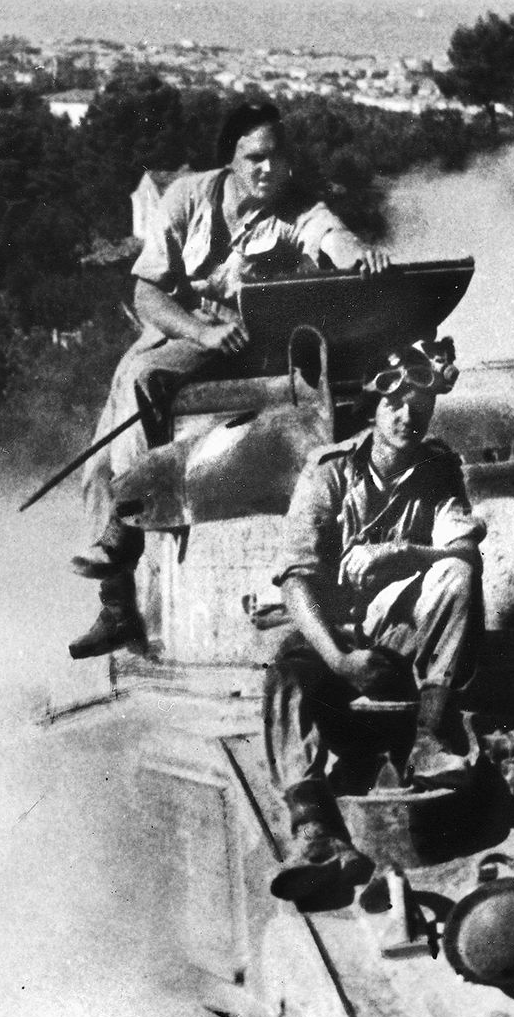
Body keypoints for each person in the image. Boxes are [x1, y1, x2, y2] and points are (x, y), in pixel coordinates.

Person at [69, 100, 392, 659]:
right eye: (255, 158)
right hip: (189, 335)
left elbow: (332, 237)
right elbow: (147, 292)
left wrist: (362, 256)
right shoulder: (188, 198)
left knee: (143, 378)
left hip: (257, 343)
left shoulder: (295, 210)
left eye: (277, 158)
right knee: (98, 465)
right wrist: (198, 331)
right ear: (231, 162)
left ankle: (124, 531)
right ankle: (118, 606)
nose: (268, 170)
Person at [263, 338, 483, 902]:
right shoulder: (331, 472)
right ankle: (312, 828)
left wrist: (405, 554)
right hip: (334, 633)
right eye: (395, 404)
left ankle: (432, 739)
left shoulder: (439, 470)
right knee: (287, 670)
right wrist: (338, 660)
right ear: (374, 407)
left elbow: (462, 555)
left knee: (455, 576)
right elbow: (296, 579)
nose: (407, 416)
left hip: (401, 633)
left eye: (419, 404)